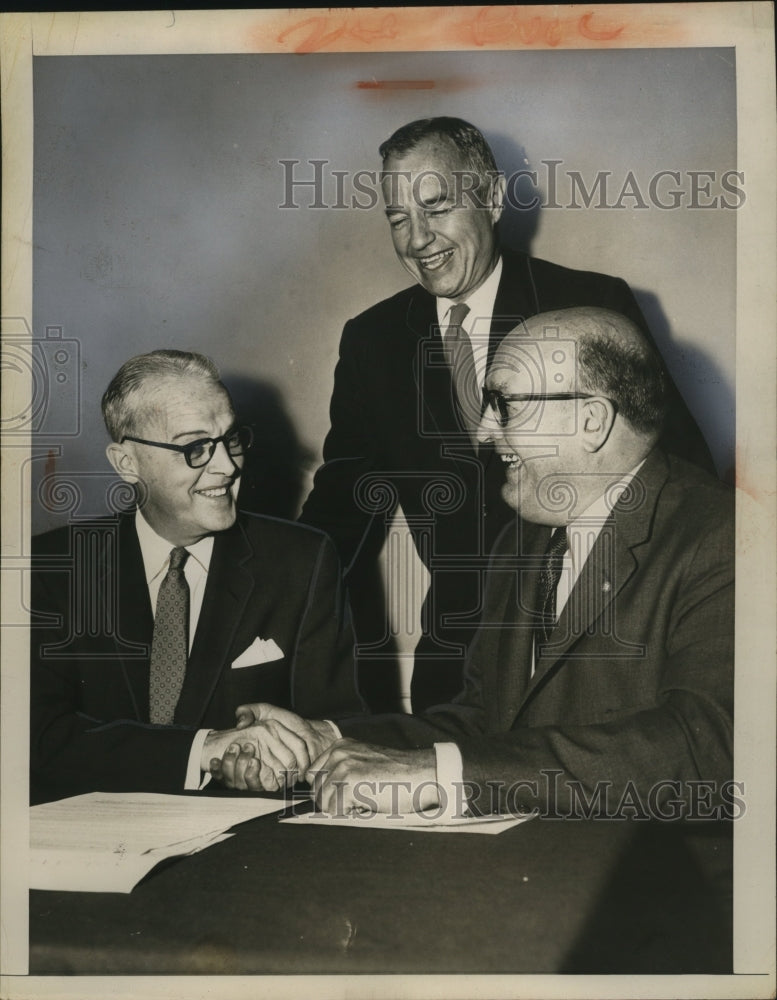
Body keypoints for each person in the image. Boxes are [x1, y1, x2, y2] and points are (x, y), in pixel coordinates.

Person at [220, 308, 733, 819]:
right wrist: (323, 738)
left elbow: (705, 747)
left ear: (591, 421)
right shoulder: (524, 539)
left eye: (503, 403)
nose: (485, 432)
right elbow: (482, 723)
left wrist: (444, 776)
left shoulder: (725, 537)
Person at [299, 116, 713, 714]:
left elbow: (680, 475)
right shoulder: (373, 341)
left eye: (436, 207)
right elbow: (340, 511)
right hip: (456, 669)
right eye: (397, 218)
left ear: (492, 199)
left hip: (596, 649)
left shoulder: (591, 304)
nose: (417, 239)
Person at [30, 350, 362, 804]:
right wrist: (203, 750)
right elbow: (35, 737)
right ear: (127, 463)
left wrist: (279, 763)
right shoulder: (54, 568)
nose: (227, 466)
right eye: (195, 447)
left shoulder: (302, 561)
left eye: (232, 439)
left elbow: (339, 731)